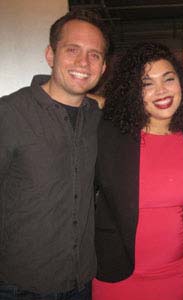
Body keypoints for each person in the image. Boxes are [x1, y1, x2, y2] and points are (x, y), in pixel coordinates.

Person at [0, 9, 108, 300]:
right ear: (51, 55)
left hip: (83, 281)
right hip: (20, 286)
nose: (83, 62)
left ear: (103, 67)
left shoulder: (100, 120)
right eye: (72, 50)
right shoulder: (9, 114)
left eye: (94, 55)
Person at [92, 42, 183, 300]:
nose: (161, 91)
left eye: (169, 79)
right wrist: (102, 100)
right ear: (132, 91)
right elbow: (60, 92)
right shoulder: (110, 134)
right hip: (119, 272)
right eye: (147, 84)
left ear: (181, 84)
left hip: (177, 271)